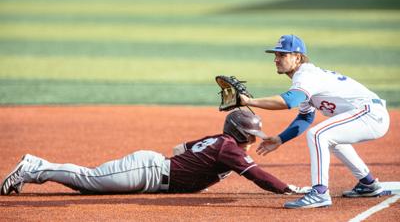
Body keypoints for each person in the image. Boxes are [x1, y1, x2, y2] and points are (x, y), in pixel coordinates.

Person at [1, 109, 304, 196]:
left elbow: (180, 148)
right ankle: (33, 166)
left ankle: (35, 168)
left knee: (89, 184)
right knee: (88, 180)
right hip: (148, 172)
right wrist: (286, 188)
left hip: (153, 168)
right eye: (251, 133)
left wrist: (193, 167)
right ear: (240, 134)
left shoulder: (220, 141)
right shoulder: (230, 150)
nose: (254, 138)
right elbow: (259, 177)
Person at [239, 34, 390, 209]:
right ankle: (368, 184)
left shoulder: (306, 75)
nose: (276, 59)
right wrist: (281, 139)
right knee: (330, 138)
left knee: (318, 134)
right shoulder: (303, 79)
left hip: (369, 114)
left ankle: (319, 192)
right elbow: (305, 117)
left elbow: (289, 101)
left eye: (282, 55)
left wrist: (250, 101)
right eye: (276, 55)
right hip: (368, 114)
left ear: (297, 57)